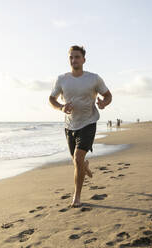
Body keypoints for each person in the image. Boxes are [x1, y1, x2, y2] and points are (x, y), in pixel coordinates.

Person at [49, 45, 112, 207]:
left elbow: (108, 95)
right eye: (71, 57)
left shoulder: (93, 79)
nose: (74, 60)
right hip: (70, 125)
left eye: (77, 57)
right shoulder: (62, 79)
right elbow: (52, 99)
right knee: (77, 161)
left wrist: (103, 103)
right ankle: (85, 166)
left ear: (84, 59)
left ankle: (76, 197)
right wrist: (61, 107)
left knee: (77, 158)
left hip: (89, 122)